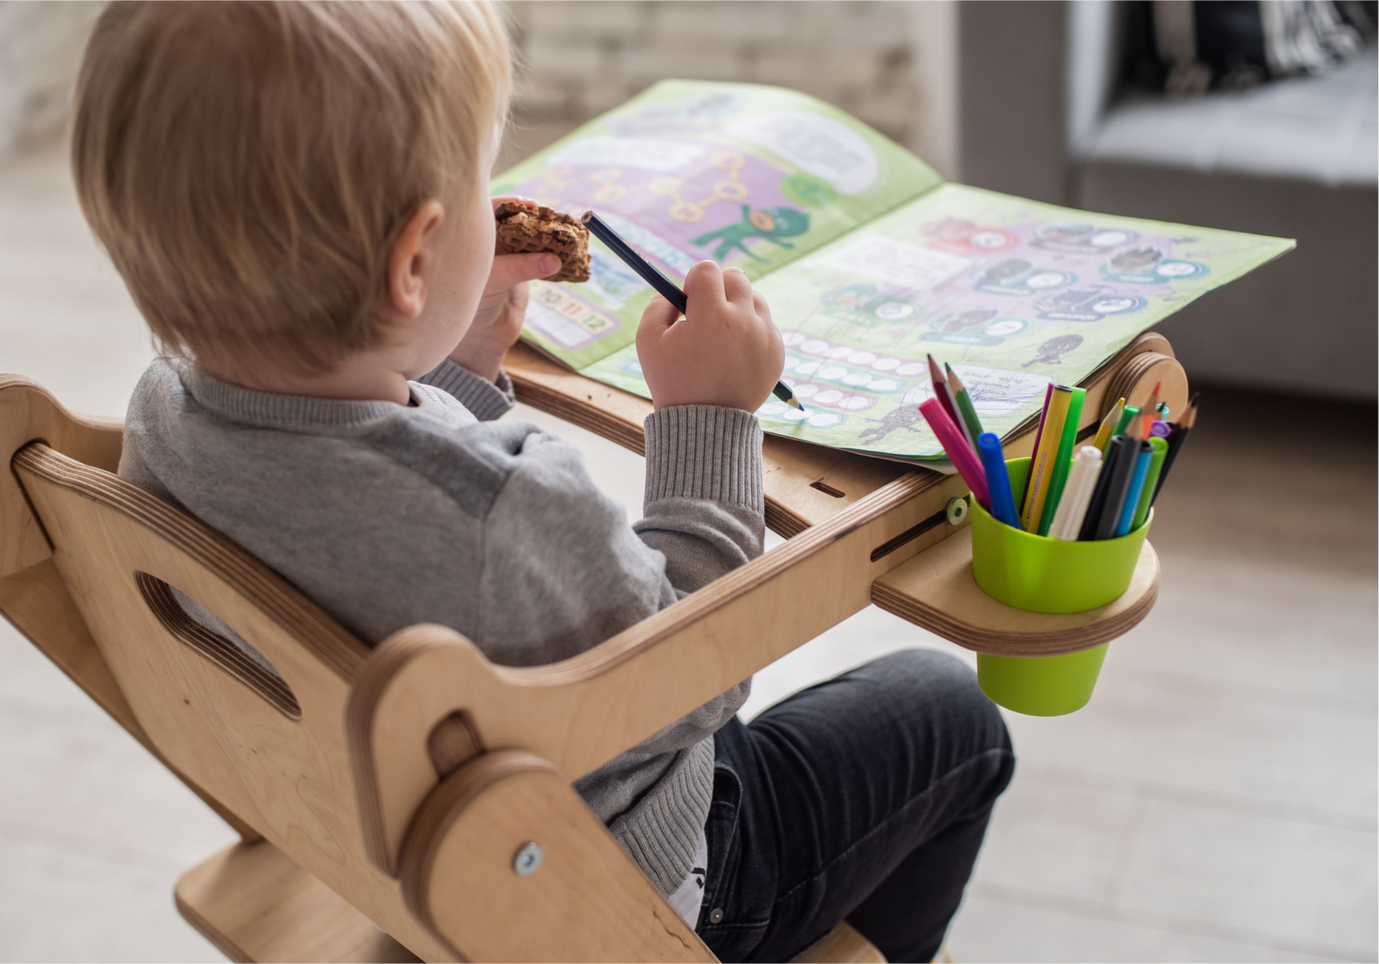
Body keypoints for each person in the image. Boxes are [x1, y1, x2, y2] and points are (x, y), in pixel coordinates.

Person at [68, 0, 1013, 960]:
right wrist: (710, 417)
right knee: (950, 717)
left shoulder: (163, 413)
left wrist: (453, 366)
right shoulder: (502, 509)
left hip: (373, 832)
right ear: (413, 262)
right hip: (613, 889)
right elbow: (692, 676)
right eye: (483, 177)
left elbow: (344, 492)